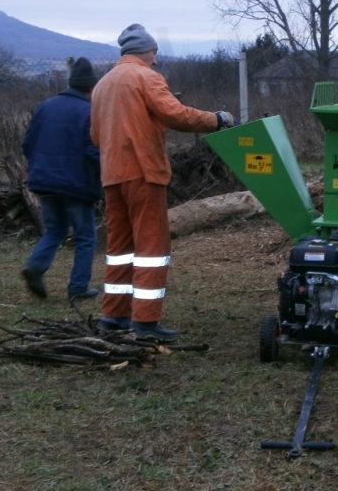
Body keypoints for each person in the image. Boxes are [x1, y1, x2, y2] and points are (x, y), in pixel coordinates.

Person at [91, 23, 236, 341]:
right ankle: (145, 322)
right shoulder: (146, 77)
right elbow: (176, 115)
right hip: (144, 172)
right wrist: (217, 120)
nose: (156, 60)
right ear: (144, 51)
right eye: (154, 53)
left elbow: (94, 134)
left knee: (120, 248)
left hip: (112, 175)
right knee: (151, 247)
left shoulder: (102, 85)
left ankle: (113, 316)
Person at [21, 57, 102, 302]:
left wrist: (41, 168)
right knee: (86, 236)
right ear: (91, 88)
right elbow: (93, 151)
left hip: (44, 181)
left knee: (55, 228)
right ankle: (78, 287)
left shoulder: (45, 106)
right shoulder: (89, 111)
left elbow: (27, 144)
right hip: (76, 184)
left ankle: (35, 266)